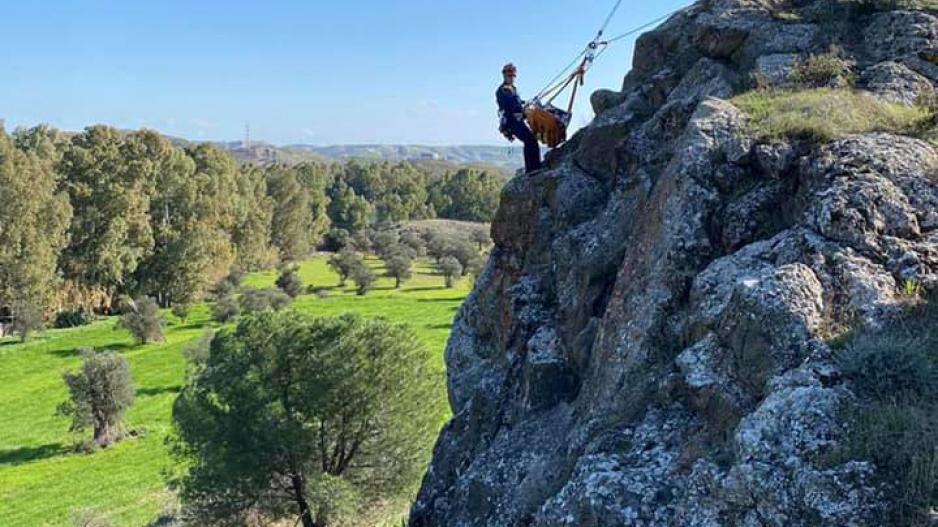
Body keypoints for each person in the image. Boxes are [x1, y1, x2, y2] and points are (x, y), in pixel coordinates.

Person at [497, 63, 542, 174]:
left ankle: (533, 167)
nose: (512, 78)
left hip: (516, 121)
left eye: (513, 76)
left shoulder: (511, 89)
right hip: (512, 122)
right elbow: (513, 105)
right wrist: (523, 108)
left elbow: (517, 102)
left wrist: (527, 102)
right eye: (509, 76)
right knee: (530, 140)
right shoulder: (503, 90)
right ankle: (532, 168)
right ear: (504, 75)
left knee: (530, 140)